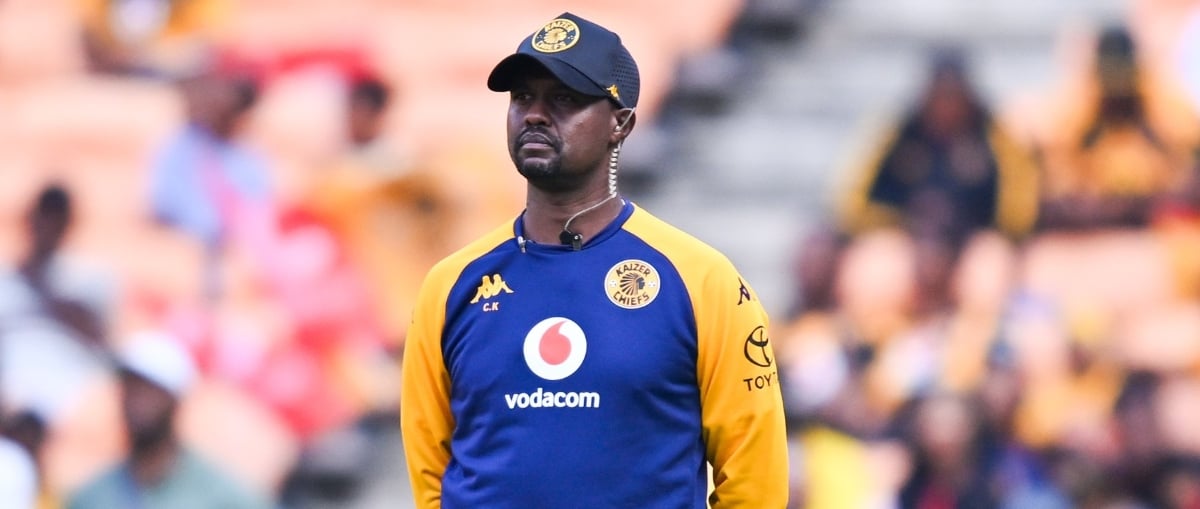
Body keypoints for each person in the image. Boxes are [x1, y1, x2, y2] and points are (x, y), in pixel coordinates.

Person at [400, 12, 789, 508]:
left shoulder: (701, 281)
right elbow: (431, 474)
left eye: (564, 98)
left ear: (620, 124)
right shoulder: (450, 285)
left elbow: (756, 482)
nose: (535, 114)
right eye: (523, 97)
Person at [66, 331, 271, 509]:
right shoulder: (93, 497)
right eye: (131, 388)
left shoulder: (220, 494)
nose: (137, 402)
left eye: (149, 391)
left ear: (175, 401)